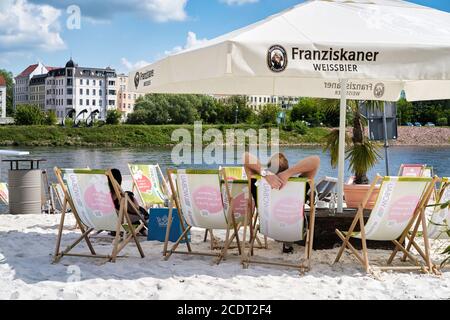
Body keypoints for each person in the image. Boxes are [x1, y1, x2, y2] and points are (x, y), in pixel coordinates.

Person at [244, 152, 320, 253]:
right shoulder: (300, 185)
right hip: (293, 232)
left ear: (269, 168)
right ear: (287, 168)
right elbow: (316, 160)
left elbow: (245, 156)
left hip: (267, 229)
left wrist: (265, 174)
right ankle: (288, 244)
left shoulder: (257, 184)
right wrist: (289, 173)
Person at [108, 168, 148, 236]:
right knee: (135, 213)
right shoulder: (124, 196)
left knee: (129, 214)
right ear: (120, 181)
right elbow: (136, 208)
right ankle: (142, 229)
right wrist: (131, 197)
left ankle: (139, 229)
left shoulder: (102, 197)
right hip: (124, 218)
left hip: (107, 222)